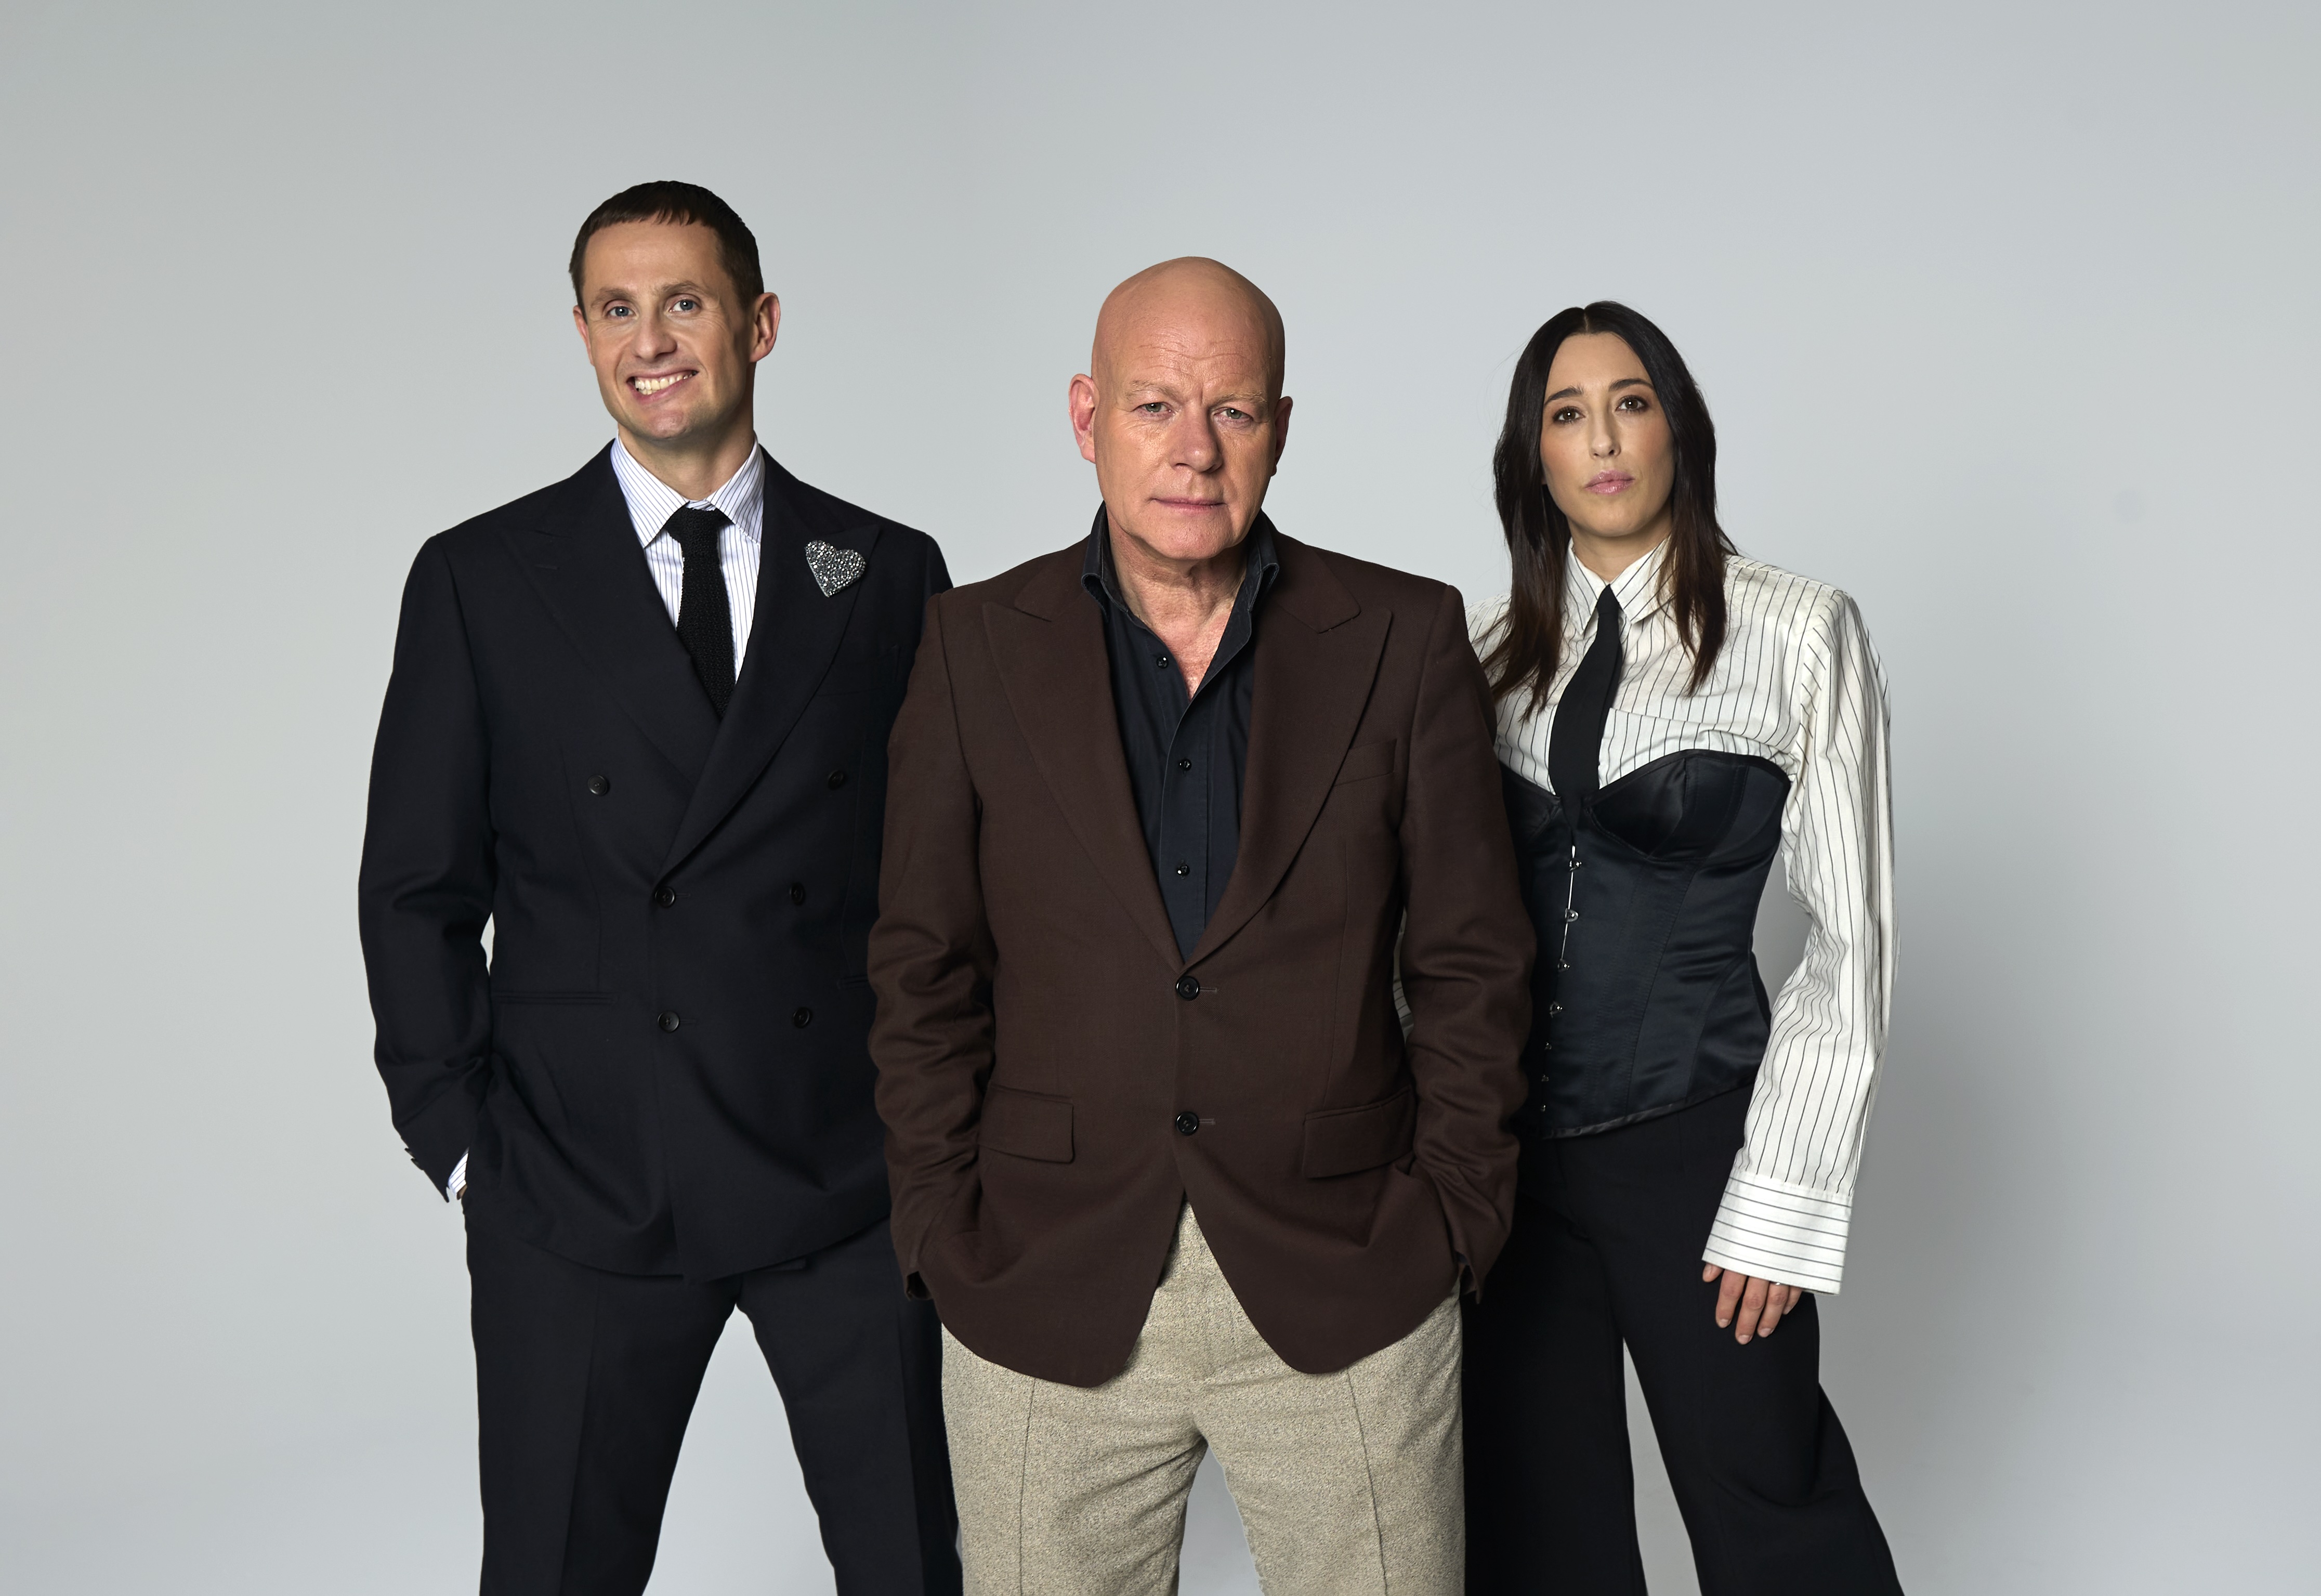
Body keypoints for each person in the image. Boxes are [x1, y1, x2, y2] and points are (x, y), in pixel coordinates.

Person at [867, 257, 1532, 1595]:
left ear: (1279, 426)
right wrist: (940, 1223)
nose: (1194, 448)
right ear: (1086, 416)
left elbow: (1473, 958)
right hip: (1041, 1276)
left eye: (1230, 410)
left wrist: (1453, 1219)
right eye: (1154, 404)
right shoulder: (972, 642)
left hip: (1350, 1276)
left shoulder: (1403, 636)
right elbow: (922, 963)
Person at [356, 180, 959, 1595]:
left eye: (684, 302)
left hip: (844, 1174)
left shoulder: (883, 570)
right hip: (579, 1185)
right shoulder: (483, 576)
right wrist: (465, 1147)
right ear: (581, 332)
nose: (651, 340)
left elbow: (946, 886)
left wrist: (937, 1136)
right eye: (616, 309)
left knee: (915, 1567)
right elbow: (416, 885)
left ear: (759, 322)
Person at [1460, 301, 1904, 1593]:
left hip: (1701, 1152)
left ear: (1678, 429)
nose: (1602, 439)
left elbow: (1853, 938)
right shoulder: (1485, 657)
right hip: (1509, 1175)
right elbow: (1436, 931)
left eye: (1631, 402)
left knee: (1776, 1514)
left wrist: (1782, 1204)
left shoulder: (1797, 628)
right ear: (1533, 456)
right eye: (1566, 413)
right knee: (1538, 1536)